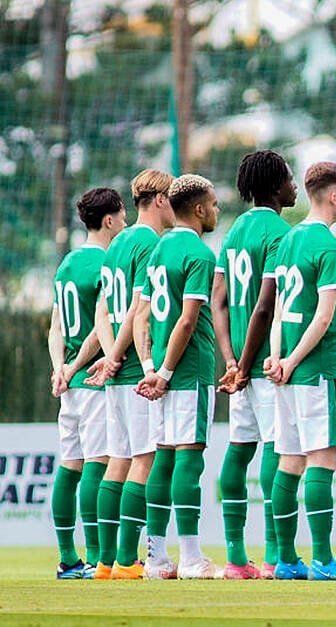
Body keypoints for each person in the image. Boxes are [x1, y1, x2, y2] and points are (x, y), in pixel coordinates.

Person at [264, 162, 336, 581]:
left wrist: (277, 357)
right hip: (316, 370)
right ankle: (322, 559)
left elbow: (281, 308)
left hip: (286, 372)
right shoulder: (329, 246)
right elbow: (322, 318)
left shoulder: (289, 240)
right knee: (321, 460)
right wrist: (295, 361)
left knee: (289, 461)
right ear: (333, 195)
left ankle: (285, 560)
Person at [86, 168, 175, 580]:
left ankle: (104, 562)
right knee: (145, 460)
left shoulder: (119, 242)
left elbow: (103, 310)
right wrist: (120, 355)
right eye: (171, 197)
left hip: (117, 373)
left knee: (117, 462)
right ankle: (126, 561)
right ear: (159, 200)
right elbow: (139, 310)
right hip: (138, 370)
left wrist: (107, 357)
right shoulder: (151, 244)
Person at [212, 149, 297, 580]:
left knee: (239, 449)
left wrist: (229, 359)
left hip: (239, 367)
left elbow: (219, 300)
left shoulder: (234, 231)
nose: (295, 184)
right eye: (289, 177)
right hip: (266, 364)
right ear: (275, 185)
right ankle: (274, 555)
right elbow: (265, 309)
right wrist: (246, 364)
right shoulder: (281, 234)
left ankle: (234, 557)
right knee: (275, 450)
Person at [134, 173, 223, 579]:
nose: (218, 212)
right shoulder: (200, 254)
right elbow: (187, 321)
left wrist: (150, 367)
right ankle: (190, 558)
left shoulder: (160, 248)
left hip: (162, 374)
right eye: (216, 205)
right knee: (189, 459)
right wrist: (167, 372)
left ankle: (156, 559)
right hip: (189, 372)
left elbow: (144, 314)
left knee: (164, 460)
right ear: (200, 209)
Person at [49, 187, 126, 579]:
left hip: (70, 385)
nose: (126, 222)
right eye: (123, 215)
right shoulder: (106, 264)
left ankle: (68, 558)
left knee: (70, 465)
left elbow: (56, 326)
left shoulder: (67, 263)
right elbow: (102, 325)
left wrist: (60, 367)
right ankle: (98, 559)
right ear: (109, 220)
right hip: (95, 379)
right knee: (98, 464)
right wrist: (77, 364)